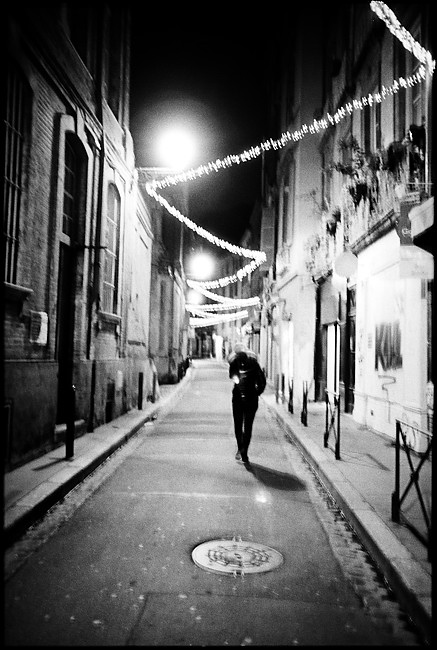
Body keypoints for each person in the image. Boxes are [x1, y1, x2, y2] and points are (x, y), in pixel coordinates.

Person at [228, 343, 266, 464]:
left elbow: (261, 380)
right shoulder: (250, 363)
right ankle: (243, 450)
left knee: (240, 425)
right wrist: (257, 392)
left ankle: (242, 449)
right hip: (248, 398)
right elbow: (262, 381)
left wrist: (256, 392)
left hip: (241, 398)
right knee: (245, 425)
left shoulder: (240, 363)